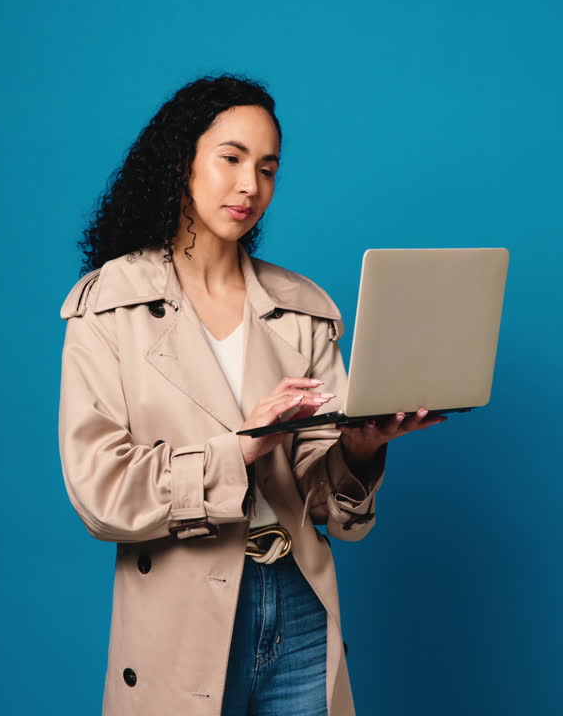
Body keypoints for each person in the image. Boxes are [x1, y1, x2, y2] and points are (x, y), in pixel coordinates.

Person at [58, 75, 447, 716]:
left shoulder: (302, 311)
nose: (250, 186)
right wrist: (239, 446)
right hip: (182, 611)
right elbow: (101, 492)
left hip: (297, 600)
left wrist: (360, 447)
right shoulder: (111, 306)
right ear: (182, 159)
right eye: (231, 159)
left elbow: (324, 500)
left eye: (267, 168)